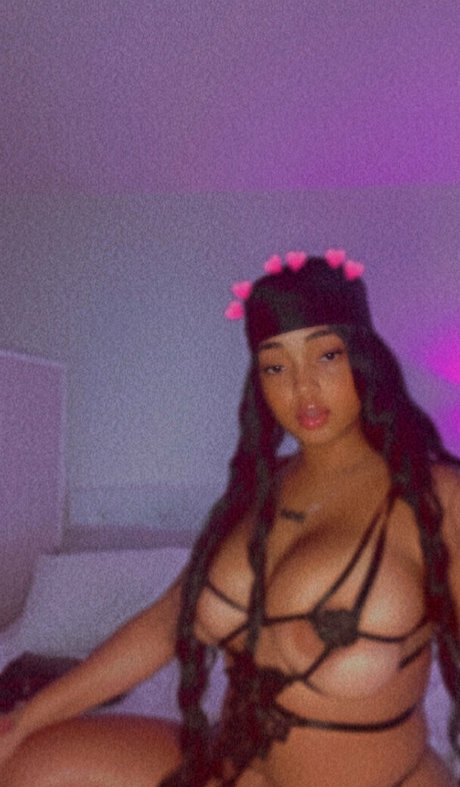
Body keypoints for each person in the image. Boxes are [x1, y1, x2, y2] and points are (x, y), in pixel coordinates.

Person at [0, 250, 459, 786]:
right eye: (276, 366)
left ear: (364, 358)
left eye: (326, 356)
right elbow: (164, 626)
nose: (302, 388)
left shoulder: (436, 497)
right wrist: (24, 718)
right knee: (23, 763)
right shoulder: (256, 490)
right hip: (234, 767)